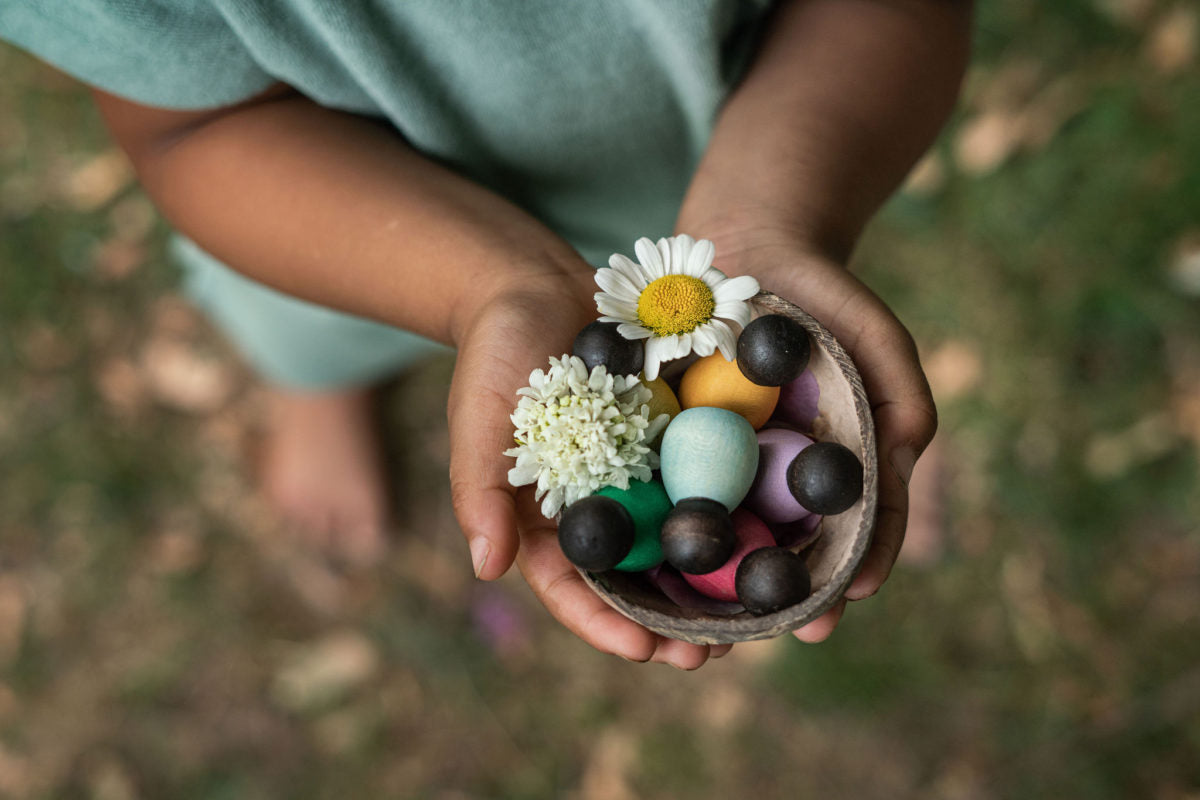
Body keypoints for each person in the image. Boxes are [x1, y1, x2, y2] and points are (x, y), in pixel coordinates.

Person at [0, 0, 969, 669]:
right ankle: (321, 378)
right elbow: (191, 129)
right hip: (348, 210)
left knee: (784, 417)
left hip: (727, 166)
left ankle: (809, 442)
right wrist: (488, 287)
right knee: (319, 327)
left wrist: (771, 218)